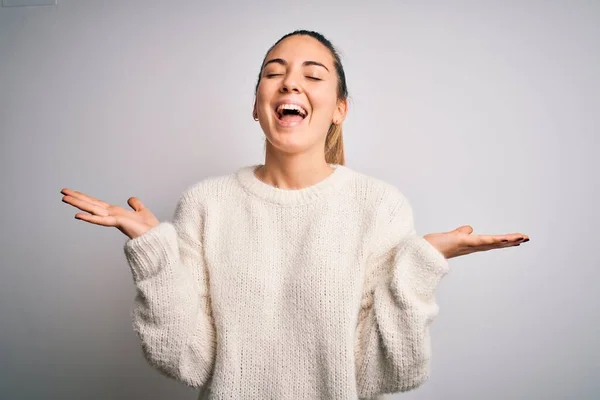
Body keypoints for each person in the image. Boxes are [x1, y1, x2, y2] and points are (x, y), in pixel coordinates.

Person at [60, 30, 529, 400]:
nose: (290, 83)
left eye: (313, 74)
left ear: (339, 109)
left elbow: (390, 373)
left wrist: (419, 264)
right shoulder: (206, 205)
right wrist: (154, 255)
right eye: (274, 72)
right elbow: (188, 361)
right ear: (256, 105)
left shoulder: (379, 207)